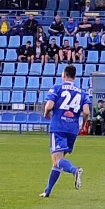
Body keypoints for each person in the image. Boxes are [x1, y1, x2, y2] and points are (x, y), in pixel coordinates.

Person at [40, 64, 89, 198]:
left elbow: (49, 106)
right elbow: (86, 111)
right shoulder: (82, 92)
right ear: (75, 76)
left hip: (59, 127)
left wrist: (46, 113)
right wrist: (83, 124)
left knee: (57, 160)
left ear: (64, 75)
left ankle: (74, 171)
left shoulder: (57, 88)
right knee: (58, 161)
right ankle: (47, 190)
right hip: (72, 129)